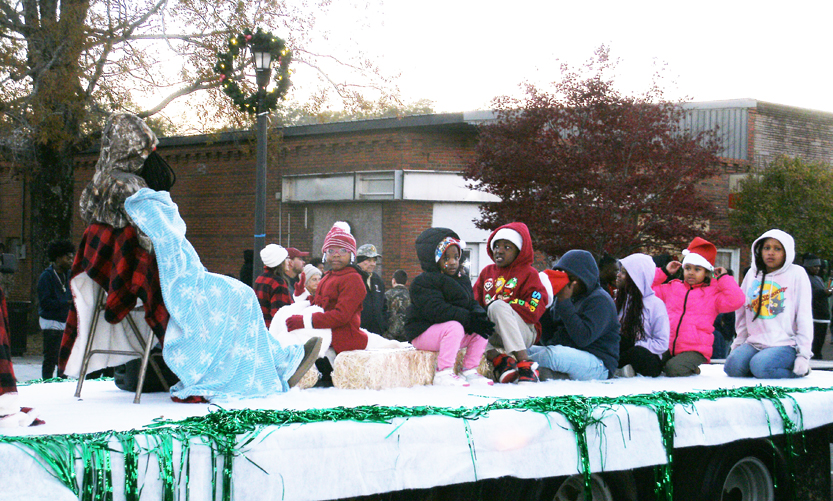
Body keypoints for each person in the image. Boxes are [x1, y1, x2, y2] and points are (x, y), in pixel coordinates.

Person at [405, 228, 495, 386]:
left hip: (449, 334)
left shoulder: (462, 279)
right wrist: (467, 319)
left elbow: (470, 302)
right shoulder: (424, 281)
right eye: (446, 258)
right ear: (435, 260)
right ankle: (443, 372)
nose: (452, 262)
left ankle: (469, 369)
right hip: (423, 332)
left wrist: (478, 316)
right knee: (455, 327)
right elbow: (436, 310)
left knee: (480, 330)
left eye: (456, 257)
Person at [285, 222, 370, 385]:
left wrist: (305, 321)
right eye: (331, 251)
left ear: (351, 255)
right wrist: (303, 296)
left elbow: (341, 316)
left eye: (343, 251)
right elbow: (320, 305)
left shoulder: (353, 279)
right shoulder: (329, 276)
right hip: (326, 333)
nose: (336, 255)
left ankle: (313, 373)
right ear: (325, 254)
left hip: (342, 340)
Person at [725, 229, 813, 379]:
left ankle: (797, 371)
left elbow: (804, 315)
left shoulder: (797, 273)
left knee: (761, 366)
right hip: (755, 343)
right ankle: (761, 368)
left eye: (777, 249)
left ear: (786, 252)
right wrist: (739, 342)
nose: (771, 253)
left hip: (786, 344)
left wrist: (803, 355)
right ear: (759, 250)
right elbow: (742, 311)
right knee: (732, 367)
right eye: (767, 248)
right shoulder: (752, 274)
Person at [653, 237, 745, 377]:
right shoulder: (673, 288)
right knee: (651, 364)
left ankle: (691, 368)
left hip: (695, 349)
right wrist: (664, 272)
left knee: (672, 369)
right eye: (688, 268)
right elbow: (646, 289)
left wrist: (724, 278)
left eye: (697, 269)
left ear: (706, 272)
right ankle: (676, 364)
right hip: (669, 345)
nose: (691, 272)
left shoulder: (712, 294)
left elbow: (736, 300)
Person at [473, 222, 548, 383]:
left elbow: (534, 310)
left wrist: (505, 303)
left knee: (497, 306)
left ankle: (525, 364)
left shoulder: (529, 274)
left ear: (519, 252)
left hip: (523, 331)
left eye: (507, 247)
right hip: (494, 333)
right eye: (496, 246)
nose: (499, 251)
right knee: (466, 321)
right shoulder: (487, 272)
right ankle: (500, 360)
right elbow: (474, 303)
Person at [530, 250, 620, 381]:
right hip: (569, 355)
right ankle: (533, 368)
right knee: (525, 350)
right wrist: (544, 305)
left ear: (584, 278)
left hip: (599, 363)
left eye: (570, 278)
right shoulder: (565, 298)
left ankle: (522, 366)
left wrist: (564, 303)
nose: (565, 283)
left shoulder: (600, 300)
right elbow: (548, 339)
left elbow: (583, 338)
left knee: (551, 355)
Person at [614, 253, 669, 377]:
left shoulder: (655, 305)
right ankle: (620, 368)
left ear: (636, 277)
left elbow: (662, 343)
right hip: (627, 349)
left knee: (636, 352)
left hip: (648, 357)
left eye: (624, 272)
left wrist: (636, 344)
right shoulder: (621, 300)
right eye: (619, 271)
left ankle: (615, 368)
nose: (618, 275)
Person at [37, 239, 75, 380]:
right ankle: (47, 382)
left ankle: (62, 382)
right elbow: (45, 303)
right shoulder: (46, 276)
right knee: (51, 356)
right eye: (68, 258)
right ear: (58, 258)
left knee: (65, 356)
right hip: (51, 321)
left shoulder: (69, 275)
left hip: (65, 320)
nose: (71, 261)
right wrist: (66, 302)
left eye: (72, 258)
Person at [254, 244, 293, 328]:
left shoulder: (260, 278)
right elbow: (279, 314)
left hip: (259, 327)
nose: (289, 262)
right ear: (280, 262)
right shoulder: (278, 282)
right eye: (286, 258)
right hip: (273, 331)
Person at [803, 255, 831, 359]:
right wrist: (825, 292)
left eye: (818, 266)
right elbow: (809, 294)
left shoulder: (818, 278)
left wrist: (828, 292)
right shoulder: (805, 278)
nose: (817, 269)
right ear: (808, 266)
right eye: (815, 266)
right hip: (814, 317)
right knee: (814, 344)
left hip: (822, 316)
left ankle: (817, 357)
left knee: (819, 343)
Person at [356, 243, 387, 335]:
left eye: (374, 260)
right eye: (369, 260)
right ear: (360, 260)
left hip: (377, 333)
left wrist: (383, 325)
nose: (373, 264)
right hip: (358, 331)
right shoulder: (353, 279)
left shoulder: (378, 280)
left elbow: (384, 306)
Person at [384, 269, 410, 342]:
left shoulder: (387, 295)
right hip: (407, 334)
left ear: (393, 280)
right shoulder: (411, 295)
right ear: (406, 282)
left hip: (389, 335)